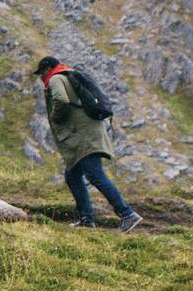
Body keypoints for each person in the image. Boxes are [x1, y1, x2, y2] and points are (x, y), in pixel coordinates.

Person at [36, 56, 141, 232]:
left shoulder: (55, 79)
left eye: (40, 73)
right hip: (87, 134)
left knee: (95, 174)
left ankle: (127, 214)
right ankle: (86, 220)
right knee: (73, 176)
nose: (40, 77)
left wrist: (55, 116)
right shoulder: (68, 75)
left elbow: (61, 100)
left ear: (46, 69)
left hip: (83, 137)